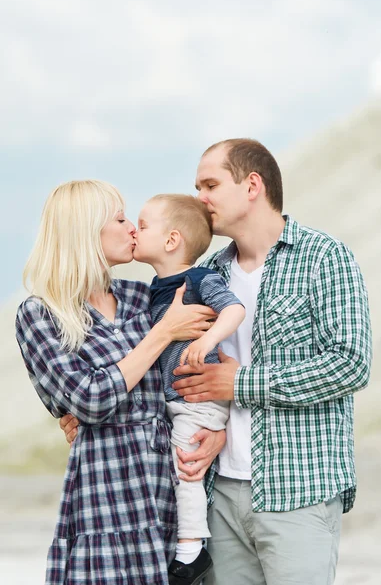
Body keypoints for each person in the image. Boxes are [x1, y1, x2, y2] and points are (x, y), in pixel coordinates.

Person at [171, 139, 373, 585]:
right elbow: (188, 369)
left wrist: (240, 384)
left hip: (298, 491)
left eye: (210, 184)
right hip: (219, 496)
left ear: (252, 185)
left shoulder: (324, 258)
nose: (199, 198)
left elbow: (351, 363)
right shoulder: (209, 274)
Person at [15, 179, 224, 585]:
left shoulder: (141, 295)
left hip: (167, 484)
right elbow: (89, 401)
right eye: (121, 218)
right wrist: (162, 333)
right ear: (86, 230)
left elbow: (194, 362)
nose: (133, 228)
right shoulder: (40, 314)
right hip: (104, 493)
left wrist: (216, 427)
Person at [132, 193, 245, 584]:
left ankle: (190, 552)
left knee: (186, 470)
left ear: (171, 240)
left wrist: (206, 340)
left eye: (143, 225)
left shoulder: (197, 279)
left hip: (198, 398)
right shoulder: (153, 289)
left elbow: (233, 309)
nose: (134, 229)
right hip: (175, 400)